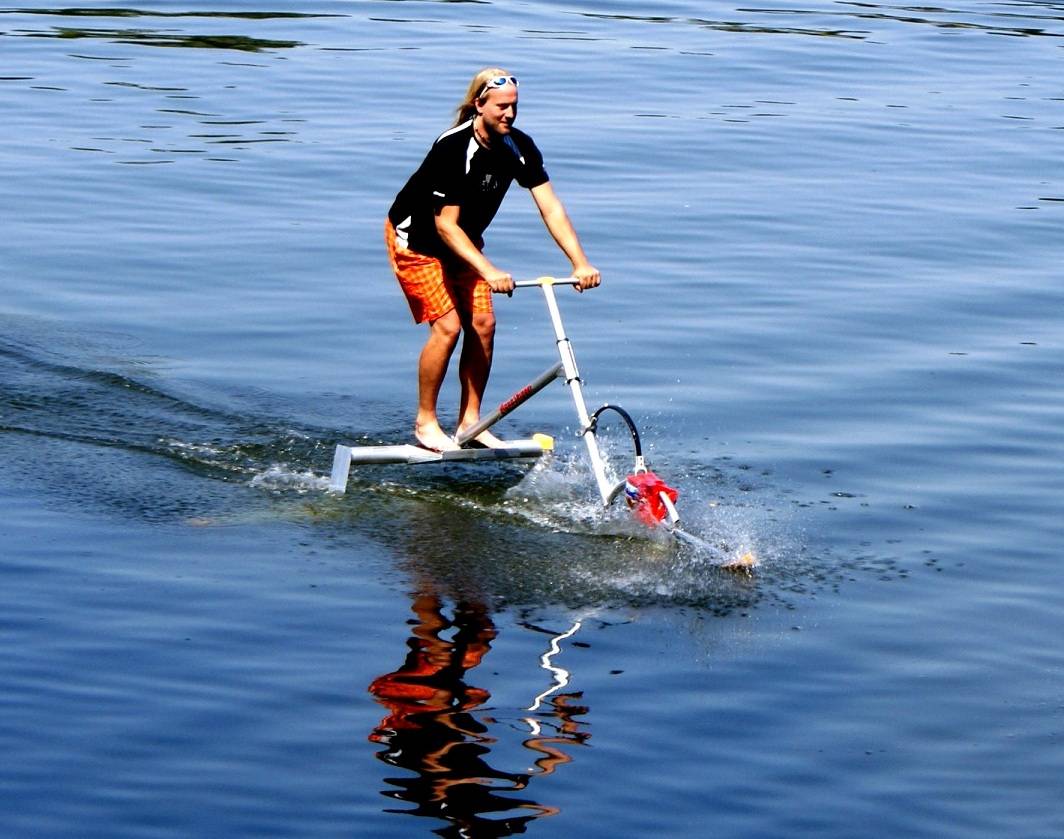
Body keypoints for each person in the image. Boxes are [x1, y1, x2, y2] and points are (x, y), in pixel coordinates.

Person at [385, 67, 601, 452]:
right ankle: (426, 423)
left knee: (483, 324)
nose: (510, 115)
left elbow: (550, 207)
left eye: (515, 107)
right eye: (502, 107)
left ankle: (471, 424)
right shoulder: (453, 148)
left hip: (462, 242)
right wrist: (489, 270)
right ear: (478, 105)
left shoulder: (518, 147)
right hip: (416, 241)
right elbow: (445, 225)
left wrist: (580, 262)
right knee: (449, 327)